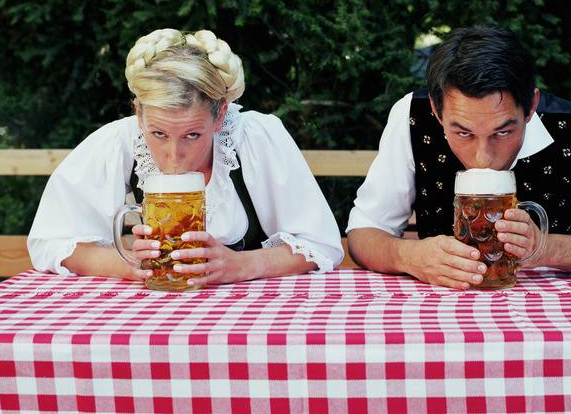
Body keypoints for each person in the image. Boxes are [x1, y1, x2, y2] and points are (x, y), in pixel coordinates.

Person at [346, 24, 571, 289]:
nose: (483, 157)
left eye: (503, 132)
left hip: (552, 329)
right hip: (440, 324)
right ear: (437, 110)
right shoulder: (412, 116)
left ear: (531, 107)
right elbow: (364, 233)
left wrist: (547, 248)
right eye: (463, 132)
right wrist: (408, 255)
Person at [28, 28, 344, 287]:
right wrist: (130, 263)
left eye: (192, 135)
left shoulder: (254, 136)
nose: (174, 158)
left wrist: (240, 265)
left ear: (220, 114)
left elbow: (322, 245)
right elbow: (51, 241)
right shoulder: (119, 141)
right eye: (159, 134)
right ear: (139, 113)